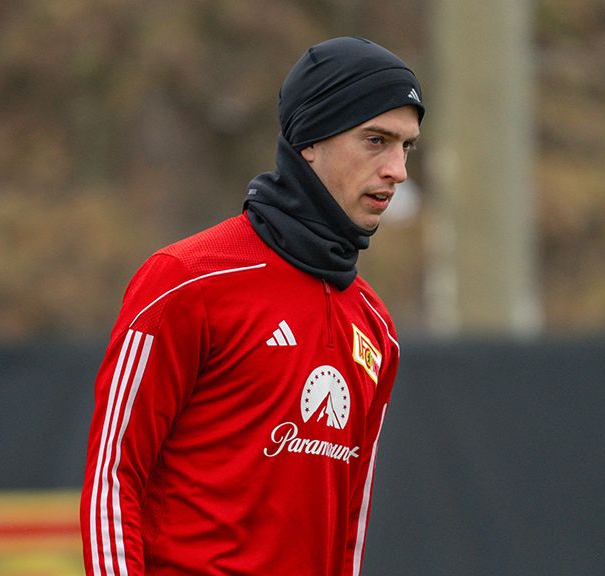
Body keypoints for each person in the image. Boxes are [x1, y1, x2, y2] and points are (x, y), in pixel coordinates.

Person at [80, 36, 424, 576]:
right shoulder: (185, 280)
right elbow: (111, 478)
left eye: (407, 147)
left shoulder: (376, 329)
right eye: (376, 140)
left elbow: (349, 530)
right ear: (309, 139)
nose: (397, 170)